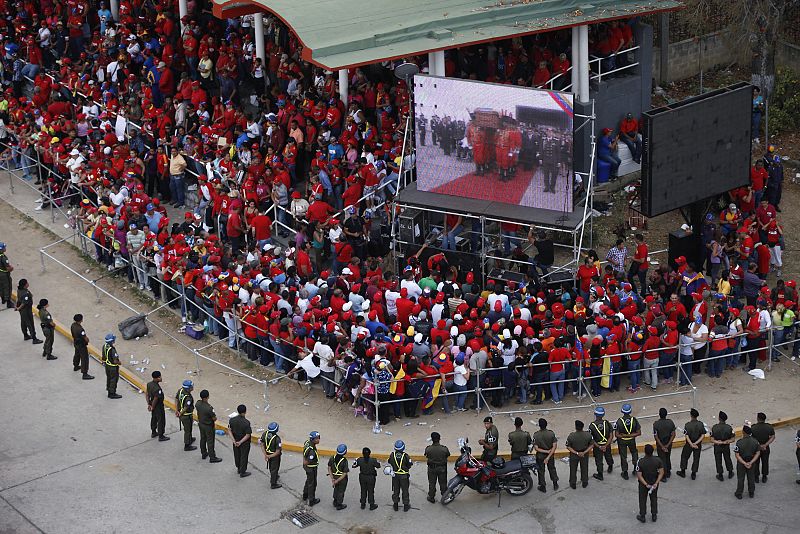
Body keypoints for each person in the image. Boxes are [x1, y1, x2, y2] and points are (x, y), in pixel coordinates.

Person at [635, 444, 664, 523]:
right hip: (654, 483)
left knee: (642, 499)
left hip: (643, 484)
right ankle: (654, 515)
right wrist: (656, 483)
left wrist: (646, 484)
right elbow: (661, 473)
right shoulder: (658, 460)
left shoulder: (641, 461)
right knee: (654, 498)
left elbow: (639, 475)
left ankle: (642, 516)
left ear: (645, 452)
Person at [677, 408, 706, 480]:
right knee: (696, 458)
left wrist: (691, 444)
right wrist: (695, 443)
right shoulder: (701, 424)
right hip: (697, 445)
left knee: (684, 457)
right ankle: (693, 473)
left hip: (688, 444)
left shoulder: (687, 425)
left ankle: (683, 471)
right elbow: (703, 435)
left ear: (691, 415)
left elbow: (687, 436)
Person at [734, 425, 761, 499]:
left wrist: (744, 463)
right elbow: (758, 453)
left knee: (741, 478)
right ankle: (751, 492)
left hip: (741, 463)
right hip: (751, 462)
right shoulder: (755, 442)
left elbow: (737, 455)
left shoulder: (739, 442)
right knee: (751, 477)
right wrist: (751, 462)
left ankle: (739, 493)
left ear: (743, 432)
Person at [614, 403, 640, 480]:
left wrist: (624, 436)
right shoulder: (634, 420)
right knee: (634, 453)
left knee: (623, 456)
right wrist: (630, 435)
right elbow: (639, 433)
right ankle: (635, 468)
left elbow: (617, 435)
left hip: (622, 441)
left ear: (622, 411)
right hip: (632, 440)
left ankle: (625, 472)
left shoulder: (619, 421)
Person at [196, 390, 222, 463]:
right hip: (208, 426)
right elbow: (214, 418)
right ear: (207, 397)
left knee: (203, 439)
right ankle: (212, 457)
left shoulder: (198, 403)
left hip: (201, 424)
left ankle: (203, 453)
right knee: (210, 442)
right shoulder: (209, 408)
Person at [565, 420, 593, 489]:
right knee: (584, 468)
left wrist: (577, 453)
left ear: (575, 427)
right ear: (583, 427)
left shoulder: (571, 436)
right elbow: (591, 445)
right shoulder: (588, 435)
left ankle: (573, 483)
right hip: (584, 454)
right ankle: (584, 482)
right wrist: (584, 452)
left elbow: (568, 446)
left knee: (573, 469)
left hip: (574, 454)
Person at [424, 431, 450, 503]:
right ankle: (444, 496)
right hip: (442, 468)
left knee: (432, 484)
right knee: (443, 483)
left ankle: (431, 497)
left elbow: (426, 455)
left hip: (432, 469)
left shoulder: (428, 449)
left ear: (432, 439)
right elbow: (448, 454)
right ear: (439, 439)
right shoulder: (444, 449)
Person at [533, 417, 558, 492]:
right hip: (550, 455)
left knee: (541, 471)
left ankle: (543, 486)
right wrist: (548, 455)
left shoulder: (536, 435)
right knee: (552, 469)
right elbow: (554, 446)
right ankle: (555, 484)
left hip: (540, 456)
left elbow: (536, 448)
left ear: (539, 425)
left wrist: (545, 451)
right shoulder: (551, 433)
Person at [589, 406, 615, 479]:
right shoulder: (607, 423)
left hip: (598, 446)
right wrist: (605, 445)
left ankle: (600, 474)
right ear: (603, 414)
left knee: (598, 460)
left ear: (595, 414)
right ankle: (610, 467)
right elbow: (611, 436)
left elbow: (591, 439)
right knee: (608, 456)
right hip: (607, 444)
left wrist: (599, 446)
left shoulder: (592, 425)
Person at [750, 412, 775, 483]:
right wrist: (765, 445)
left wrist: (758, 446)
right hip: (765, 448)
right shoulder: (769, 427)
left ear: (758, 418)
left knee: (756, 462)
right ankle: (764, 476)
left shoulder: (753, 427)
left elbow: (751, 439)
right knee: (765, 462)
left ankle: (756, 477)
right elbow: (773, 437)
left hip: (756, 448)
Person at [388, 439, 413, 511]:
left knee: (396, 490)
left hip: (395, 475)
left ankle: (395, 505)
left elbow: (389, 461)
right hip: (404, 476)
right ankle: (406, 506)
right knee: (405, 491)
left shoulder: (392, 455)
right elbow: (409, 465)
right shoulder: (406, 456)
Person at [15, 279, 42, 344]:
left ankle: (25, 335)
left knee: (23, 322)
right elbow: (24, 303)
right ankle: (34, 338)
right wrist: (18, 308)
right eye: (27, 283)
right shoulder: (25, 294)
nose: (28, 283)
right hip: (26, 310)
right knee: (30, 324)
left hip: (22, 310)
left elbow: (18, 298)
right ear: (25, 285)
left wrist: (17, 306)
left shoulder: (19, 290)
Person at [652, 408, 676, 480]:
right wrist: (667, 445)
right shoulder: (670, 422)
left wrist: (662, 446)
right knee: (667, 457)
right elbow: (673, 435)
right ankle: (668, 471)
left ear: (659, 414)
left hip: (660, 445)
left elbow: (656, 437)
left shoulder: (656, 424)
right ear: (666, 414)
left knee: (662, 459)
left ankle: (663, 475)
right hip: (668, 443)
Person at [710, 410, 735, 481]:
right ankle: (730, 472)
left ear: (719, 418)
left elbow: (711, 440)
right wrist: (726, 442)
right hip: (726, 446)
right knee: (727, 458)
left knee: (718, 460)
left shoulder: (714, 427)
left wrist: (718, 442)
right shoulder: (729, 428)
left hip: (717, 446)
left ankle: (720, 475)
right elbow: (733, 439)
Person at [229, 404, 252, 477]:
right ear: (245, 412)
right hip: (244, 443)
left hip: (235, 441)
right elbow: (247, 435)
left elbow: (229, 430)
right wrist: (240, 442)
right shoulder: (246, 423)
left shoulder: (232, 420)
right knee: (244, 456)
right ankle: (243, 472)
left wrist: (234, 441)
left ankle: (238, 468)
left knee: (237, 455)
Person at [146, 371, 169, 441]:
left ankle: (153, 432)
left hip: (152, 403)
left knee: (154, 418)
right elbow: (156, 399)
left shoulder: (149, 384)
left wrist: (149, 404)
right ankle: (161, 435)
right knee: (161, 420)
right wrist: (152, 406)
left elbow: (147, 394)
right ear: (156, 378)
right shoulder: (157, 389)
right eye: (159, 377)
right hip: (158, 406)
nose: (161, 378)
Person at [70, 314, 94, 380]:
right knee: (84, 358)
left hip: (76, 343)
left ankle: (76, 366)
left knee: (77, 354)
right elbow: (85, 338)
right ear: (81, 320)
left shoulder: (73, 325)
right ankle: (85, 374)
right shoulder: (80, 329)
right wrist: (87, 340)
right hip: (82, 345)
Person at [260, 422, 282, 488]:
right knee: (275, 468)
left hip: (268, 453)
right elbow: (277, 452)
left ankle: (275, 476)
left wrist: (266, 455)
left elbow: (262, 444)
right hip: (275, 456)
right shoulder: (277, 439)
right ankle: (273, 484)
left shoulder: (265, 434)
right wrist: (269, 456)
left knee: (271, 467)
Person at [175, 380, 196, 451]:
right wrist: (180, 413)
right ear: (188, 388)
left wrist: (177, 410)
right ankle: (187, 445)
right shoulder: (188, 397)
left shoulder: (180, 390)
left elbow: (176, 399)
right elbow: (186, 407)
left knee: (189, 428)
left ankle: (190, 439)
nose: (192, 387)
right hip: (186, 415)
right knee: (188, 430)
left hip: (181, 413)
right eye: (191, 386)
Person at [100, 334, 122, 399]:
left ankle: (109, 389)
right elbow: (115, 361)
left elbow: (103, 357)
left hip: (107, 366)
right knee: (113, 380)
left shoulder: (104, 346)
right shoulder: (112, 350)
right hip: (113, 367)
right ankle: (112, 393)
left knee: (109, 378)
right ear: (112, 341)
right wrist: (119, 363)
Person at [328, 443, 349, 509]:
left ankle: (335, 501)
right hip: (342, 479)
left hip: (334, 476)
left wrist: (332, 479)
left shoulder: (332, 458)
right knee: (341, 491)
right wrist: (337, 480)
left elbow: (329, 468)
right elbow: (344, 473)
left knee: (336, 489)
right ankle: (339, 504)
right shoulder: (344, 461)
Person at [303, 431, 321, 506]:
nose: (318, 440)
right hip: (311, 468)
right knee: (312, 484)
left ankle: (305, 495)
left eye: (318, 438)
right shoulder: (312, 452)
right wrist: (305, 462)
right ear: (312, 439)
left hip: (308, 467)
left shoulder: (307, 443)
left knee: (308, 481)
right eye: (316, 438)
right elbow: (306, 462)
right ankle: (311, 500)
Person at [0, 242, 13, 307]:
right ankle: (8, 302)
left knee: (1, 287)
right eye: (4, 247)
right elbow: (8, 268)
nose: (5, 248)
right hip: (4, 274)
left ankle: (3, 299)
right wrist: (11, 268)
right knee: (7, 287)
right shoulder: (3, 258)